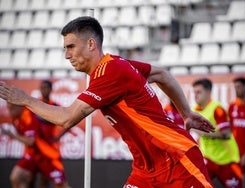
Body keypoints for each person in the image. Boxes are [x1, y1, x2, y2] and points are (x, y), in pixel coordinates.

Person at [0, 16, 215, 187]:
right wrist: (186, 113)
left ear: (91, 43)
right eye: (65, 48)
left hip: (176, 159)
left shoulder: (110, 71)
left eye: (71, 46)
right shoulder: (116, 65)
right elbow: (161, 75)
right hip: (145, 170)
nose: (66, 55)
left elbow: (66, 118)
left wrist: (24, 99)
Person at [1, 103, 68, 188]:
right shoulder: (16, 119)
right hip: (32, 156)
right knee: (16, 177)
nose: (9, 111)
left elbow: (31, 141)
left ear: (19, 106)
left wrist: (12, 135)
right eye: (8, 108)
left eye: (11, 108)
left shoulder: (29, 116)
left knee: (61, 185)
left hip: (46, 156)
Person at [192, 78, 243, 188]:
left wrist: (202, 132)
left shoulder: (217, 109)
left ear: (209, 92)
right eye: (194, 92)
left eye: (199, 92)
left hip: (227, 159)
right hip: (208, 159)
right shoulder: (194, 110)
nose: (195, 95)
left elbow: (226, 134)